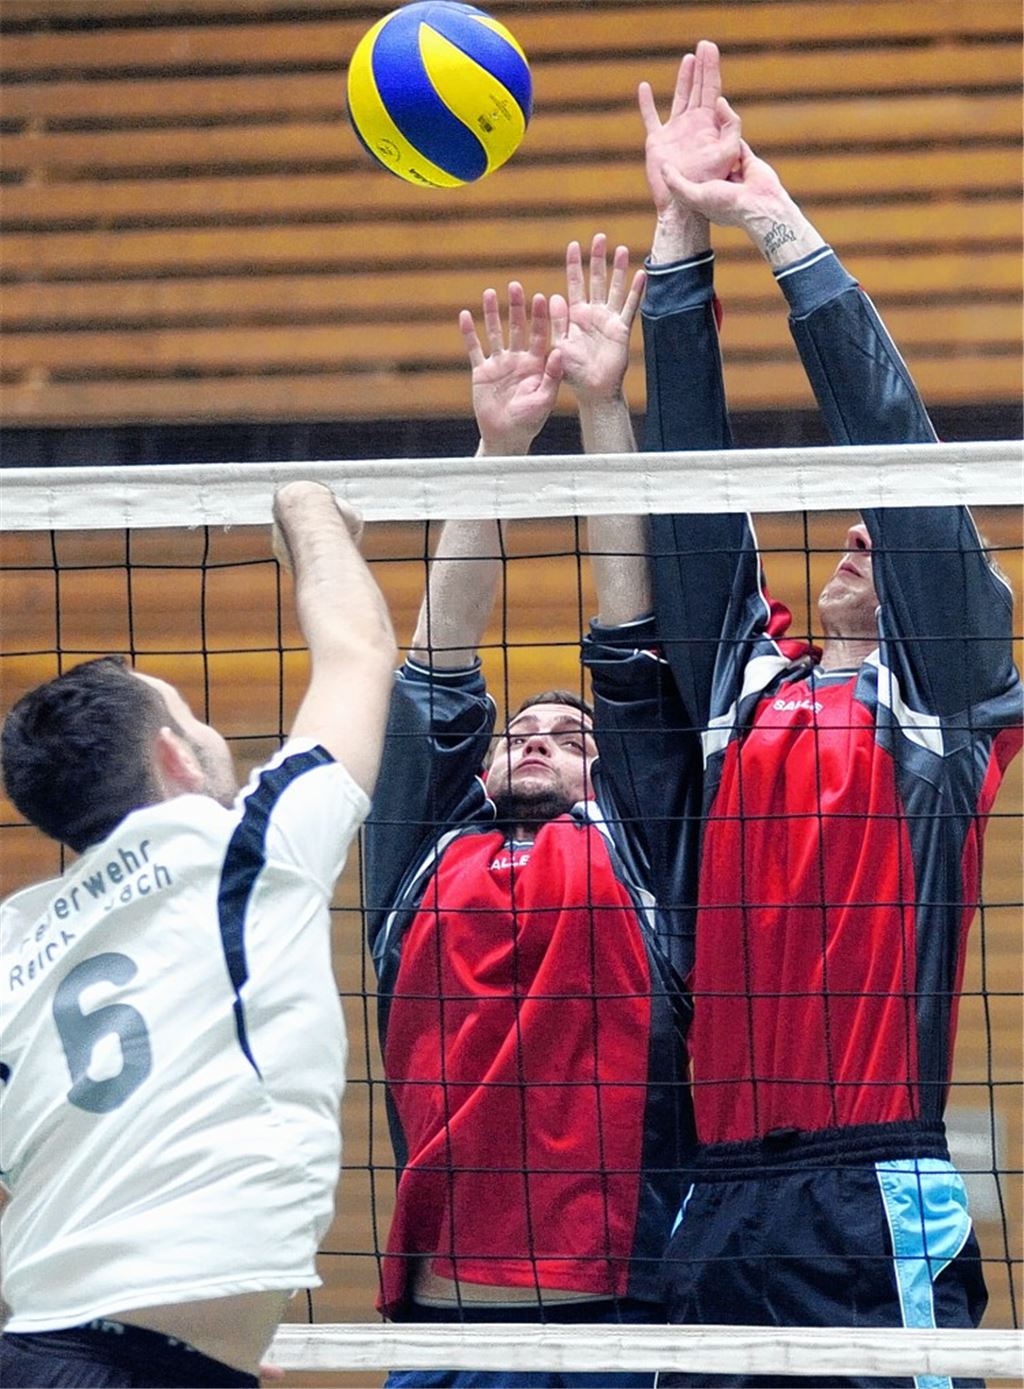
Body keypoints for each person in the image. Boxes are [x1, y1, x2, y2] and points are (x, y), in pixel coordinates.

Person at [638, 42, 1023, 1387]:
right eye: (844, 524)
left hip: (871, 1200)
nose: (860, 530)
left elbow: (903, 463)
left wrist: (779, 225)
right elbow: (687, 483)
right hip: (715, 1201)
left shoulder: (957, 702)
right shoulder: (745, 686)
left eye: (887, 532)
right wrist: (678, 245)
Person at [363, 236, 697, 1388]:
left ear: (609, 776)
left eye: (573, 736)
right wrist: (497, 448)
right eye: (519, 733)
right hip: (446, 1336)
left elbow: (628, 631)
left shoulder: (635, 841)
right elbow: (440, 661)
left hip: (624, 1327)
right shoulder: (423, 849)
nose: (538, 740)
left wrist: (603, 412)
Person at [0, 482, 397, 1388]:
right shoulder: (243, 849)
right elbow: (361, 652)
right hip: (128, 1363)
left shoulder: (13, 944)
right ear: (175, 756)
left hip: (54, 1350)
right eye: (191, 715)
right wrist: (309, 510)